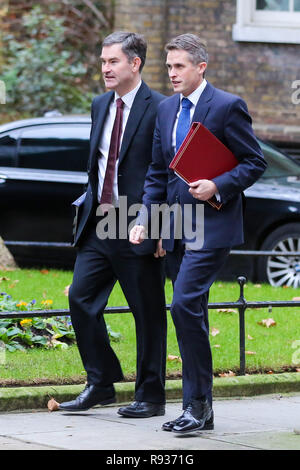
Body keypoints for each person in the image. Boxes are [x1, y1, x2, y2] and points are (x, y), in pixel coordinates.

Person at [130, 33, 267, 434]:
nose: (171, 73)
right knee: (193, 313)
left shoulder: (227, 106)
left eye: (179, 67)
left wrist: (218, 185)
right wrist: (144, 220)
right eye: (168, 66)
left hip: (213, 224)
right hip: (175, 226)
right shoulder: (166, 109)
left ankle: (196, 404)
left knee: (183, 305)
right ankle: (200, 409)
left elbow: (253, 162)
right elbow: (158, 172)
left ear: (200, 67)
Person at [59, 31, 167, 418]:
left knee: (147, 311)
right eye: (103, 61)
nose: (105, 68)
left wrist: (159, 227)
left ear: (134, 63)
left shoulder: (161, 108)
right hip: (101, 220)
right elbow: (96, 166)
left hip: (138, 221)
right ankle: (101, 382)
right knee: (81, 298)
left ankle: (151, 396)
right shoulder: (99, 104)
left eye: (113, 61)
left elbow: (169, 172)